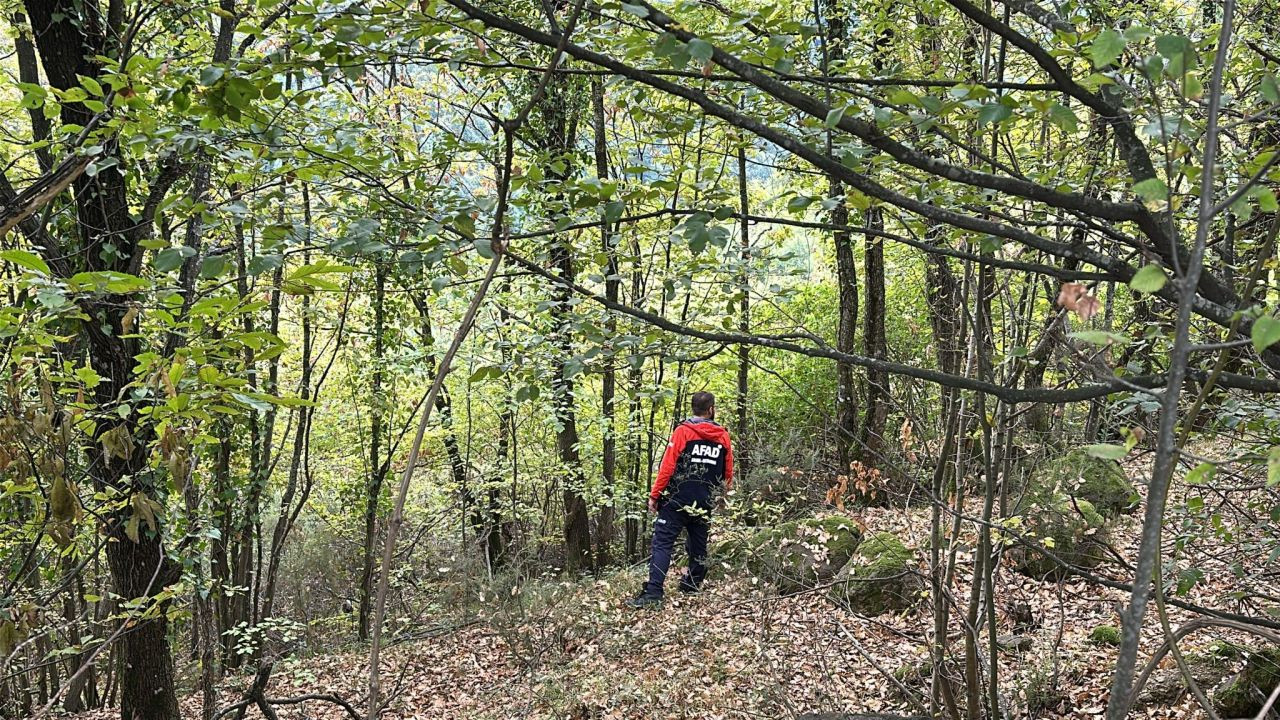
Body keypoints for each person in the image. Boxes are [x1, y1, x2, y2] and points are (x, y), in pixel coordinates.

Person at [629, 391, 733, 609]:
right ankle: (692, 586)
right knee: (698, 545)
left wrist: (655, 495)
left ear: (693, 408)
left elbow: (667, 467)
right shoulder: (722, 437)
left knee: (662, 543)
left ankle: (654, 592)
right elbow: (728, 472)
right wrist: (720, 496)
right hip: (705, 500)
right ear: (711, 409)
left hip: (676, 499)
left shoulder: (683, 432)